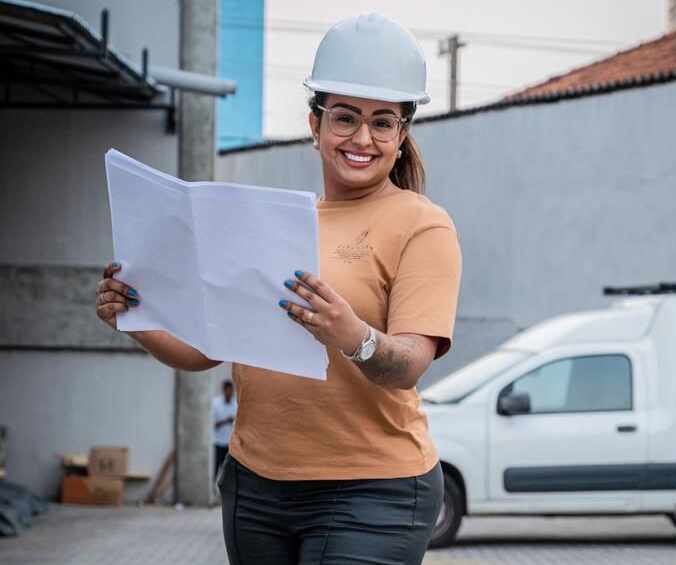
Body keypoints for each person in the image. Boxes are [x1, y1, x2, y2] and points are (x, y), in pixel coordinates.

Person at [94, 12, 461, 565]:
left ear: (401, 133)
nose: (362, 137)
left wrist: (352, 334)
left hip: (373, 492)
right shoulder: (272, 222)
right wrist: (135, 318)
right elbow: (205, 348)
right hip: (257, 485)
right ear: (315, 126)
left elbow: (409, 362)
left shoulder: (422, 225)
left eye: (383, 122)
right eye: (345, 118)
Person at [212, 380, 237, 481]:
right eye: (227, 391)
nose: (229, 393)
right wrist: (225, 421)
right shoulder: (215, 404)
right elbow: (212, 424)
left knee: (229, 472)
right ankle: (213, 490)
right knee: (216, 468)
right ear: (223, 390)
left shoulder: (236, 404)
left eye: (231, 391)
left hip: (230, 444)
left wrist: (233, 421)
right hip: (218, 442)